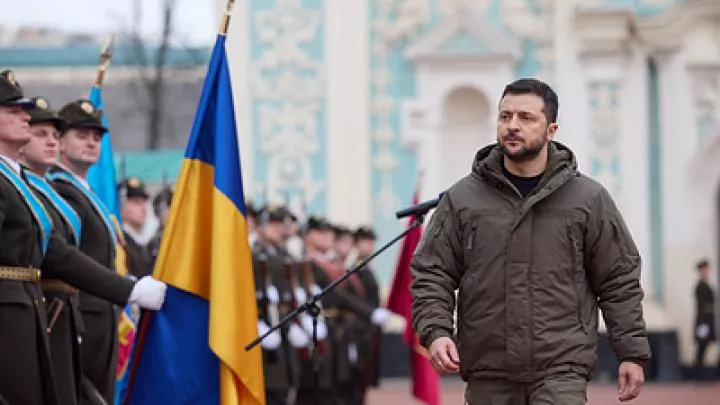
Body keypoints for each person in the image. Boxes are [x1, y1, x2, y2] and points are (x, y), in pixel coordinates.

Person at [410, 78, 650, 405]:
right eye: (505, 116)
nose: (512, 125)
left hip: (561, 370)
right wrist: (436, 332)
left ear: (551, 130)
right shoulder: (462, 198)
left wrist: (631, 353)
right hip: (488, 372)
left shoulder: (588, 199)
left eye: (526, 117)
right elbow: (432, 272)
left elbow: (617, 279)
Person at [0, 70, 166, 405]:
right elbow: (57, 254)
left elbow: (51, 249)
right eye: (14, 111)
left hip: (36, 311)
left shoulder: (18, 182)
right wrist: (129, 289)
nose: (25, 117)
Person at [49, 99, 163, 404]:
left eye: (96, 138)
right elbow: (70, 260)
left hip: (103, 316)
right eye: (81, 135)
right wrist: (128, 289)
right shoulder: (60, 192)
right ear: (60, 142)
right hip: (80, 315)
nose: (91, 143)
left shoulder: (85, 193)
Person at [118, 177, 153, 278]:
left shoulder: (144, 243)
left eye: (144, 202)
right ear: (122, 206)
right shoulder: (120, 241)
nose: (143, 208)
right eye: (136, 202)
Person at [693, 259, 716, 380]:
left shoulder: (706, 285)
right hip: (703, 321)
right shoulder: (700, 286)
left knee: (704, 346)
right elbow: (702, 306)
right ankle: (698, 372)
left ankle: (700, 371)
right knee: (702, 346)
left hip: (707, 320)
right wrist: (703, 323)